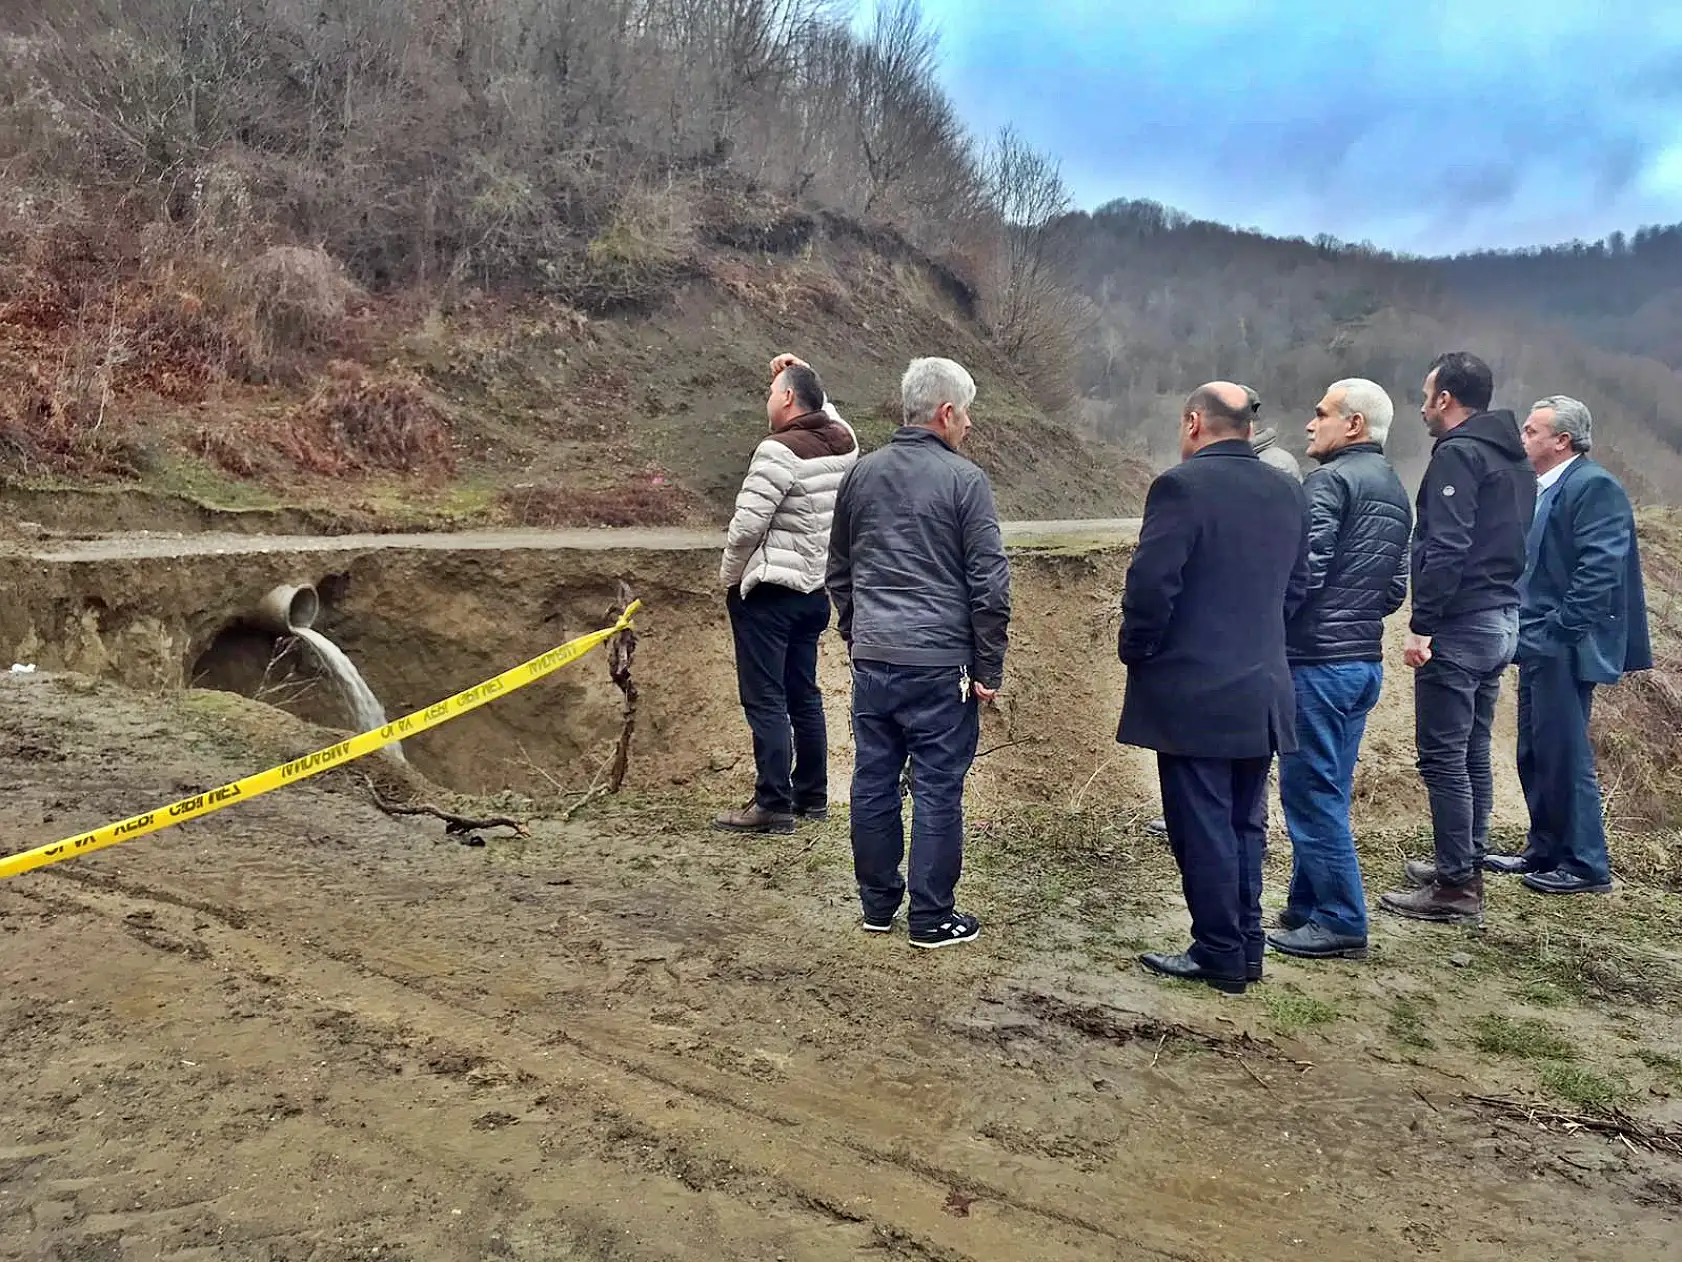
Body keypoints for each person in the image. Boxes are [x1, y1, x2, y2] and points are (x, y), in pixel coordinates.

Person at [1119, 382, 1308, 993]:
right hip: (1263, 686)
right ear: (1249, 429)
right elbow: (1298, 587)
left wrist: (1140, 650)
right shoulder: (1286, 488)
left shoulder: (1180, 487)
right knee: (1244, 822)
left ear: (1194, 423)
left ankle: (1219, 952)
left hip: (1195, 691)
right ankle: (1247, 946)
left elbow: (1151, 588)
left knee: (1200, 824)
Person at [826, 356, 1010, 948]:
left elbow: (839, 570)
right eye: (967, 415)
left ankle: (878, 907)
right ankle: (931, 918)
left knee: (873, 779)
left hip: (875, 661)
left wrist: (858, 635)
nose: (970, 427)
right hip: (939, 666)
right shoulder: (966, 481)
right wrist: (988, 667)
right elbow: (990, 584)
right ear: (946, 412)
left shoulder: (860, 475)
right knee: (937, 787)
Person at [1379, 352, 1534, 925]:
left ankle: (1456, 888)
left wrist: (1423, 623)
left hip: (1461, 622)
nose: (1421, 406)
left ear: (1446, 399)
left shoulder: (1459, 454)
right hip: (1501, 618)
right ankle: (1460, 862)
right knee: (1471, 751)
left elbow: (1445, 546)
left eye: (1426, 395)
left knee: (1443, 757)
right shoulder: (1513, 459)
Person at [1481, 396, 1650, 893]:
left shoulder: (1593, 486)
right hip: (1540, 639)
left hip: (1566, 644)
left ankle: (1585, 864)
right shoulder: (1549, 486)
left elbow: (1600, 571)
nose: (1522, 439)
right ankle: (1544, 850)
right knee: (1536, 749)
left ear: (1562, 441)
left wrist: (1557, 630)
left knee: (1565, 750)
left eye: (1532, 432)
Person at [1270, 380, 1411, 961]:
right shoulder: (1396, 490)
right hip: (1363, 665)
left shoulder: (1328, 483)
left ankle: (1341, 919)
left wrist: (1272, 626)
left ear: (1352, 425)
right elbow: (1394, 590)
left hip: (1318, 665)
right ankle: (1306, 905)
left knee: (1310, 793)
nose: (1310, 423)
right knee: (1328, 787)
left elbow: (1303, 572)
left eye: (1320, 412)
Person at [715, 353, 858, 834]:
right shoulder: (843, 443)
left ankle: (773, 803)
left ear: (789, 399)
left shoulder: (777, 451)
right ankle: (812, 797)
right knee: (804, 694)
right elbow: (830, 413)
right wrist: (809, 370)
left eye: (773, 392)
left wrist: (730, 579)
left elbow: (744, 530)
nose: (767, 401)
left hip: (771, 592)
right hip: (814, 593)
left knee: (765, 698)